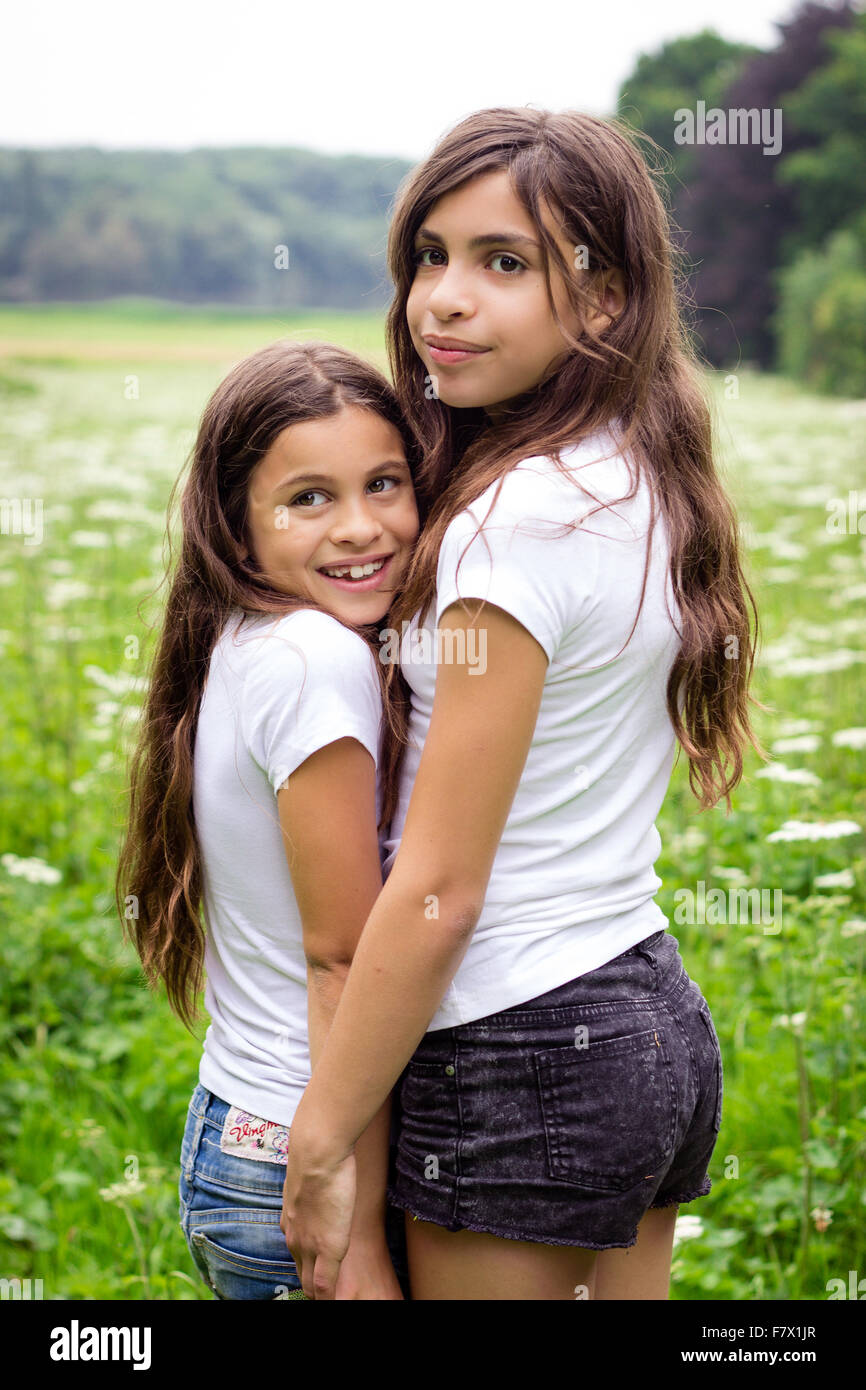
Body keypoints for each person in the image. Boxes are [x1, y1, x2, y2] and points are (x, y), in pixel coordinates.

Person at [279, 107, 764, 1301]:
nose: (442, 299)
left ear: (601, 300)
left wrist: (320, 1135)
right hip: (645, 1009)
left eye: (502, 264)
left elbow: (440, 890)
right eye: (429, 257)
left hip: (523, 1037)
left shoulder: (516, 521)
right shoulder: (636, 475)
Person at [115, 338, 423, 1299]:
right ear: (238, 532)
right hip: (303, 1151)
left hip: (243, 1127)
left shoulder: (250, 640)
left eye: (385, 483)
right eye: (309, 499)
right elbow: (343, 959)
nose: (362, 528)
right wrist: (361, 1233)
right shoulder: (313, 663)